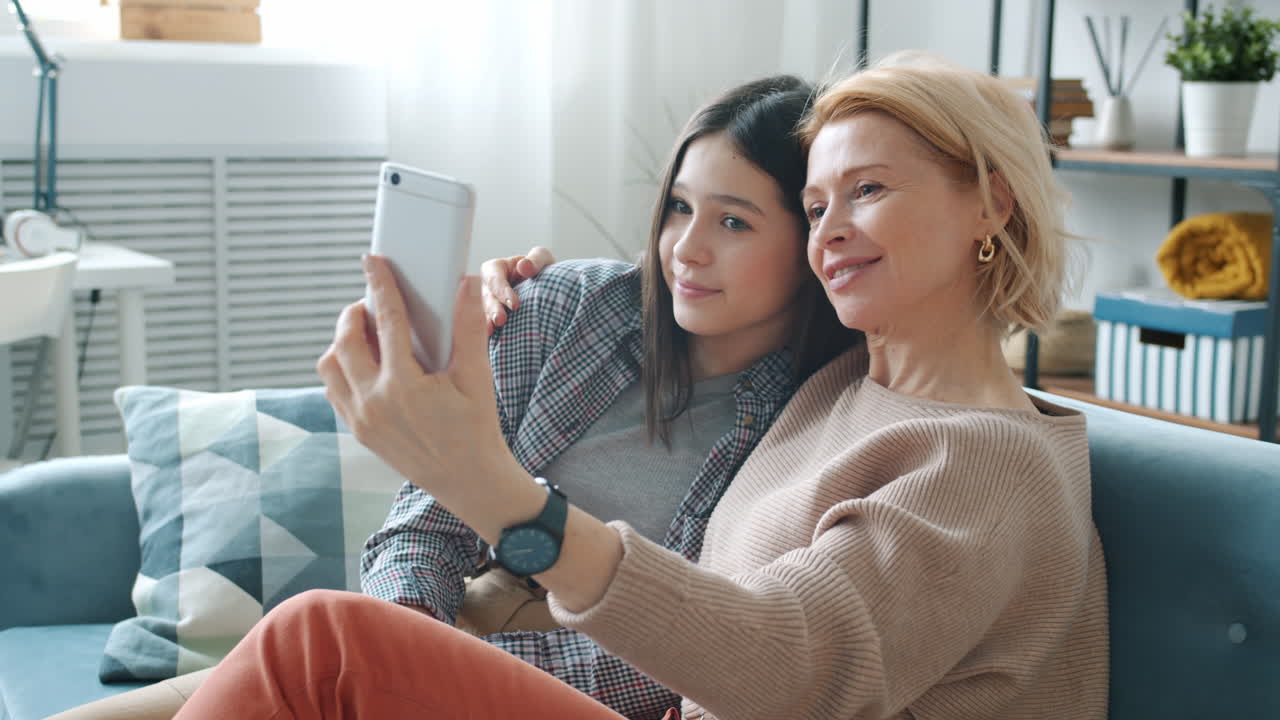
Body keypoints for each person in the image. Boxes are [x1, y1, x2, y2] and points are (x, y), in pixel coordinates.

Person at [171, 52, 1109, 720]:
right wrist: (525, 302)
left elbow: (795, 666)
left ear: (990, 202)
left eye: (868, 191)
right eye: (818, 204)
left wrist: (504, 501)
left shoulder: (991, 464)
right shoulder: (838, 388)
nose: (830, 231)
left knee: (325, 642)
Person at [49, 76, 855, 720]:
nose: (687, 248)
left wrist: (430, 668)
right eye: (678, 207)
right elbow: (422, 531)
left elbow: (679, 658)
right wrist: (415, 645)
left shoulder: (816, 419)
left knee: (311, 640)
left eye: (736, 223)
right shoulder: (564, 310)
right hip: (430, 638)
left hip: (560, 685)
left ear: (813, 243)